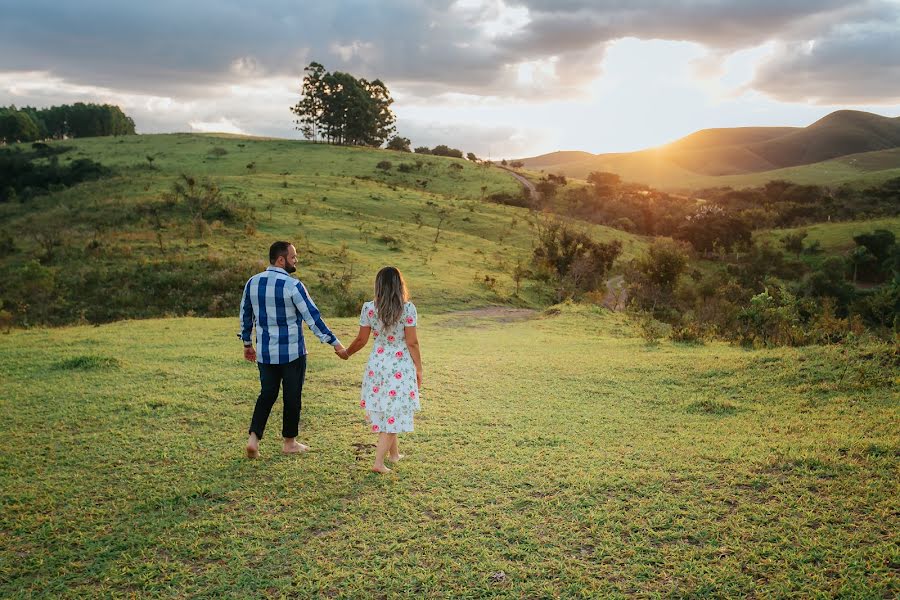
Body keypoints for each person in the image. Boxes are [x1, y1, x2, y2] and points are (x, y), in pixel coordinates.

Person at [238, 241, 346, 459]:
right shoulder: (292, 285)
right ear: (281, 259)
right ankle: (289, 443)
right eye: (293, 257)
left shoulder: (252, 283)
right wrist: (335, 343)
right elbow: (313, 318)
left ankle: (253, 440)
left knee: (267, 394)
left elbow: (245, 315)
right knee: (292, 396)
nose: (296, 260)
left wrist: (247, 344)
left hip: (266, 352)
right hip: (293, 353)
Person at [339, 266, 422, 474]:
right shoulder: (407, 308)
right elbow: (412, 343)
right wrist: (419, 368)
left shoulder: (369, 308)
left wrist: (347, 352)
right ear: (399, 285)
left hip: (377, 364)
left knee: (389, 408)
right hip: (399, 365)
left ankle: (394, 455)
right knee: (395, 412)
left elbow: (361, 339)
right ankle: (378, 462)